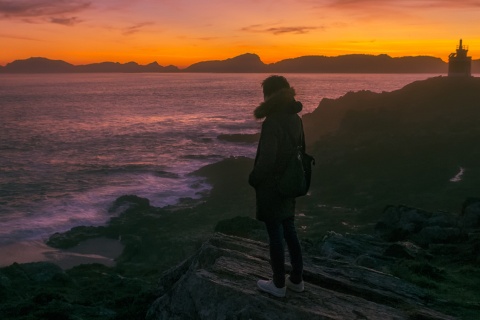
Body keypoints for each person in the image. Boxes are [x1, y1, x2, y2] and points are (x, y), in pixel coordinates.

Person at [248, 75, 305, 297]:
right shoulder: (295, 118)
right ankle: (297, 279)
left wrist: (254, 178)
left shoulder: (272, 121)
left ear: (269, 94)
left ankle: (278, 284)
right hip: (290, 182)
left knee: (275, 234)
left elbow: (267, 159)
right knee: (290, 229)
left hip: (272, 185)